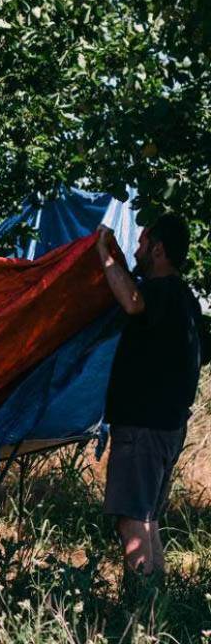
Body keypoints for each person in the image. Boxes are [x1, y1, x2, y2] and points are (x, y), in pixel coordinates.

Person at [97, 214, 203, 584]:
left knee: (131, 520)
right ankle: (156, 604)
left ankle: (141, 612)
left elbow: (132, 301)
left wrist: (103, 255)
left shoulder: (159, 293)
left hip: (144, 426)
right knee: (147, 517)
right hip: (166, 427)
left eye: (142, 244)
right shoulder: (186, 299)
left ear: (158, 249)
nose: (136, 250)